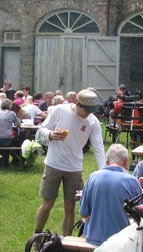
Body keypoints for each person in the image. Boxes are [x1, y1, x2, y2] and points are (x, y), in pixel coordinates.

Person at [35, 88, 106, 236]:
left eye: (91, 110)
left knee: (70, 205)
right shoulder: (60, 110)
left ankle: (67, 242)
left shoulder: (92, 121)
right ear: (77, 103)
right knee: (48, 203)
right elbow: (42, 129)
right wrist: (50, 134)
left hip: (74, 168)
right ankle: (36, 236)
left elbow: (98, 146)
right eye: (86, 109)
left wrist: (104, 170)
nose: (88, 113)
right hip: (53, 164)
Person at [79, 144, 142, 246]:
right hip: (122, 239)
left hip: (94, 238)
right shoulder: (133, 181)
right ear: (126, 161)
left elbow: (83, 213)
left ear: (107, 161)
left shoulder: (93, 177)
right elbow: (140, 216)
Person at [0, 99, 19, 168]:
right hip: (6, 141)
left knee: (3, 142)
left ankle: (0, 160)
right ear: (10, 106)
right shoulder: (12, 114)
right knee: (15, 140)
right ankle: (5, 163)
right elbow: (18, 124)